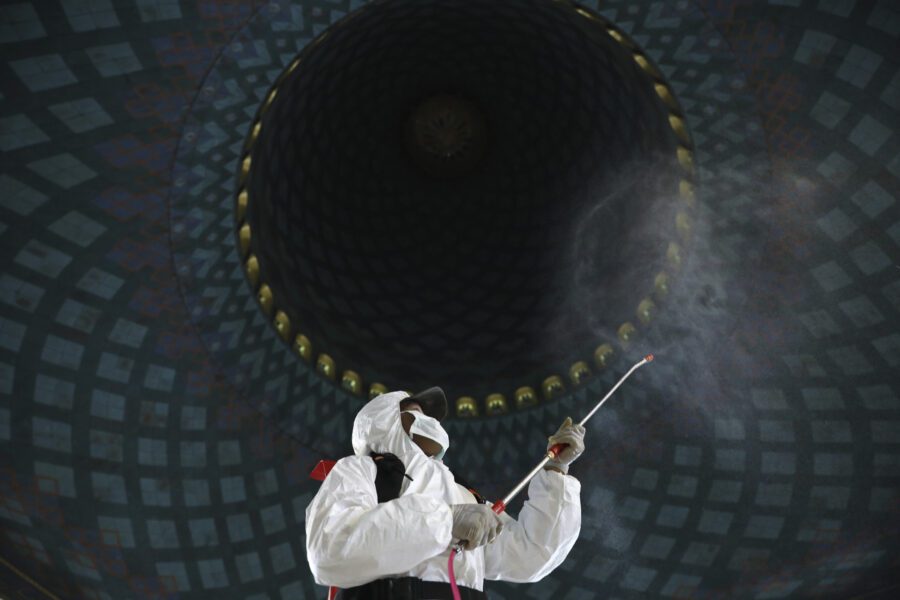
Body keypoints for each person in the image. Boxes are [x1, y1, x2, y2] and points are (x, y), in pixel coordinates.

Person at [305, 386, 585, 599]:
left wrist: (556, 472)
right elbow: (331, 549)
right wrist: (445, 521)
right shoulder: (361, 471)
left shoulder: (465, 496)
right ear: (386, 421)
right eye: (417, 411)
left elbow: (530, 554)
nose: (429, 420)